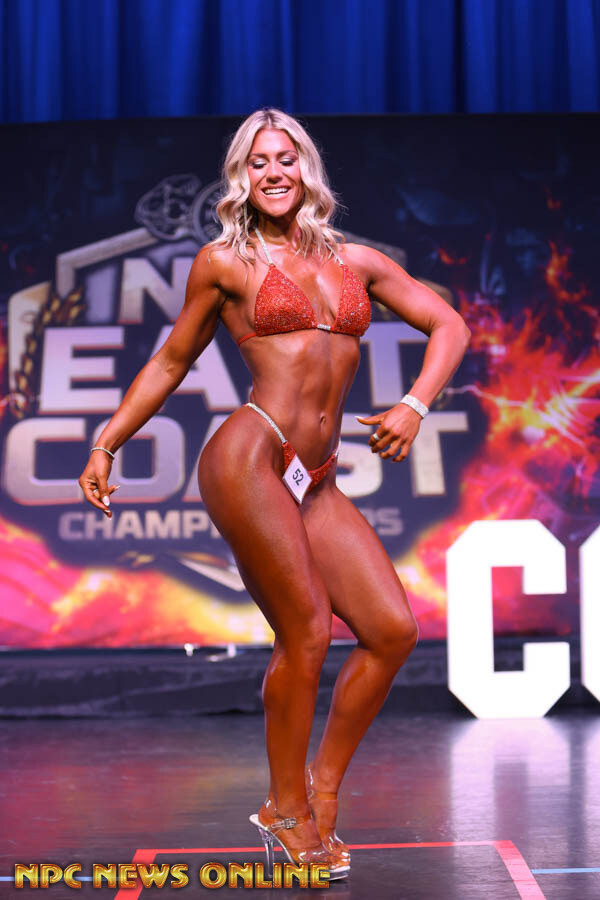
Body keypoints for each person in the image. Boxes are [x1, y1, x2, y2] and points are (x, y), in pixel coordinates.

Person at [78, 108, 470, 880]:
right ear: (241, 177)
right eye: (257, 163)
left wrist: (414, 404)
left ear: (306, 168)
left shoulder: (357, 262)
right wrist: (106, 442)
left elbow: (450, 325)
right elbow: (170, 361)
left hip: (314, 479)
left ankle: (321, 790)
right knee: (308, 632)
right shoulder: (224, 263)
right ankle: (284, 809)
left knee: (392, 631)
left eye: (285, 158)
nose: (274, 173)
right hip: (249, 457)